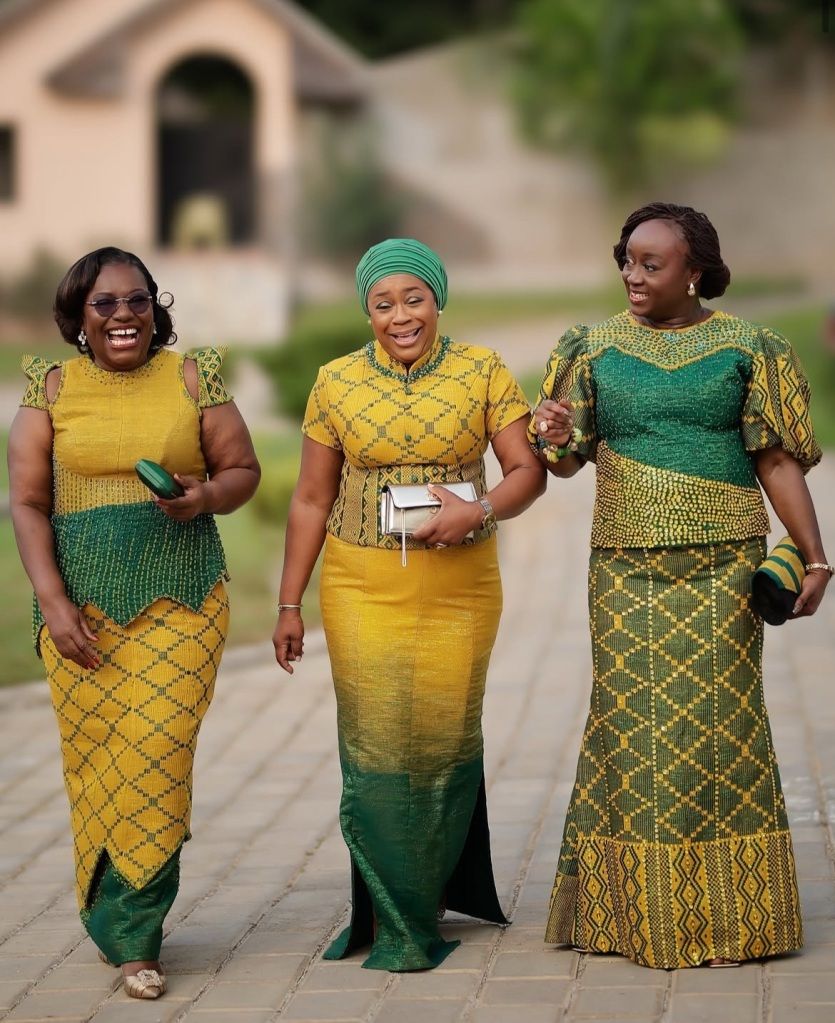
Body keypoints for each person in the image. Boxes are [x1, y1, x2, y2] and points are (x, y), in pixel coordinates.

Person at [531, 202, 830, 970]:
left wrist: (814, 557)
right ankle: (634, 916)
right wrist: (556, 437)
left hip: (723, 568)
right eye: (626, 260)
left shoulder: (749, 346)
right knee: (630, 731)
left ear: (693, 270)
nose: (631, 275)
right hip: (623, 570)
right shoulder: (590, 347)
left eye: (650, 264)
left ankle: (732, 919)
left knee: (722, 732)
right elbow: (565, 461)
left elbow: (774, 459)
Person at [272, 238, 545, 971]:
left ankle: (429, 887)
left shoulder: (482, 370)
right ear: (367, 312)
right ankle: (395, 911)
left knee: (445, 736)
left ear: (438, 300)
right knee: (375, 741)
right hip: (361, 583)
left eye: (414, 299)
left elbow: (527, 471)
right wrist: (289, 603)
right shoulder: (335, 381)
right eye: (383, 304)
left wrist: (477, 510)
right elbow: (310, 498)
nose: (401, 316)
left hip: (461, 585)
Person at [8, 247, 260, 999]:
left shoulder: (195, 378)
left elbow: (242, 471)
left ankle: (138, 940)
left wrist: (203, 497)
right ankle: (112, 915)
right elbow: (27, 502)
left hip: (183, 601)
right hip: (80, 612)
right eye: (105, 304)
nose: (124, 315)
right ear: (78, 316)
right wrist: (54, 602)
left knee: (156, 752)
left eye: (138, 300)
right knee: (96, 765)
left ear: (156, 307)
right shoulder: (50, 387)